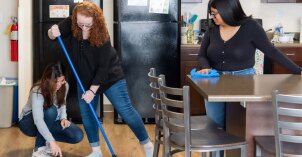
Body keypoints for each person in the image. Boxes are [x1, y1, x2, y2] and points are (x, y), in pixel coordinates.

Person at [48, 2, 154, 157]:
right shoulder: (72, 23)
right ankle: (96, 152)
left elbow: (103, 68)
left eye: (87, 25)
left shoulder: (102, 35)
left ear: (95, 21)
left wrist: (92, 90)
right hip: (84, 78)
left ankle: (147, 144)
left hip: (109, 78)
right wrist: (52, 31)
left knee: (126, 111)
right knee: (88, 115)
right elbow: (51, 35)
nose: (83, 28)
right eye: (80, 24)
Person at [197, 0, 302, 129]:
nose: (212, 18)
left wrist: (298, 70)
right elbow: (202, 55)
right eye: (211, 14)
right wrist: (206, 67)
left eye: (215, 14)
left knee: (240, 128)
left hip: (244, 82)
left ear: (227, 10)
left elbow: (271, 51)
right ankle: (216, 150)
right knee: (215, 127)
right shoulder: (212, 29)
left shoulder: (251, 27)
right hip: (214, 81)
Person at [18, 62, 84, 157]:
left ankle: (45, 140)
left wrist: (63, 118)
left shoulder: (65, 86)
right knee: (51, 110)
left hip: (50, 120)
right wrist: (52, 141)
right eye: (55, 81)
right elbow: (38, 120)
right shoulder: (37, 90)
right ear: (47, 79)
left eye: (61, 80)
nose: (59, 85)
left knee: (77, 135)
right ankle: (39, 148)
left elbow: (62, 104)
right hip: (28, 123)